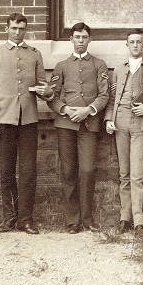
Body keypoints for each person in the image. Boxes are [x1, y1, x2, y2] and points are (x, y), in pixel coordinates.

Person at [0, 13, 53, 234]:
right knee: (6, 171)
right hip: (3, 120)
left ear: (26, 30)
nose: (17, 32)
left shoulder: (34, 54)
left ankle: (26, 219)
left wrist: (48, 92)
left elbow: (43, 87)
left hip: (29, 120)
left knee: (28, 170)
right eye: (13, 28)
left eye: (21, 28)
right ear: (6, 29)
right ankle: (8, 218)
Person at [49, 22, 109, 234]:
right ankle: (72, 220)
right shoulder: (62, 66)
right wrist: (64, 109)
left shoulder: (99, 65)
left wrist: (89, 110)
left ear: (89, 40)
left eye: (84, 37)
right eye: (77, 37)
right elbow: (52, 96)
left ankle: (87, 219)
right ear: (71, 40)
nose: (80, 41)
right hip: (66, 124)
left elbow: (104, 95)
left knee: (87, 169)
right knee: (68, 171)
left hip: (89, 124)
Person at [105, 29, 143, 237]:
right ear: (127, 45)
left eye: (139, 42)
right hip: (120, 124)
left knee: (137, 174)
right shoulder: (118, 69)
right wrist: (109, 119)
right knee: (123, 173)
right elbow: (112, 97)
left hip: (140, 124)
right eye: (131, 42)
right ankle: (125, 218)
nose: (135, 45)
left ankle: (139, 220)